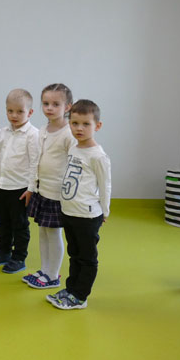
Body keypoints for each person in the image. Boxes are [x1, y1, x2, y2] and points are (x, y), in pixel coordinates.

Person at [48, 100, 111, 310]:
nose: (79, 128)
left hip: (87, 215)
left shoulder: (98, 156)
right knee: (74, 254)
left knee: (86, 258)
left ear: (97, 126)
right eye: (75, 123)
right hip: (69, 212)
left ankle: (80, 296)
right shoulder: (74, 148)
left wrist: (105, 210)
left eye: (86, 124)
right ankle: (70, 290)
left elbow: (105, 185)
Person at [22, 84, 75, 289]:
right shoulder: (43, 130)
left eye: (55, 104)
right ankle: (44, 270)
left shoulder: (69, 133)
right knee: (43, 232)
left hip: (57, 193)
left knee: (54, 234)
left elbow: (73, 164)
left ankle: (53, 275)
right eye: (45, 103)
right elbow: (36, 159)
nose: (49, 108)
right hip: (42, 190)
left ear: (67, 107)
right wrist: (32, 186)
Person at [0, 89, 40, 274]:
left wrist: (31, 188)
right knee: (3, 222)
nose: (14, 115)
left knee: (20, 225)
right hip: (1, 185)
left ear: (30, 112)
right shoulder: (3, 132)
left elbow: (35, 163)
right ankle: (4, 253)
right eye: (10, 111)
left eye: (19, 111)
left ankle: (19, 257)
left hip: (20, 188)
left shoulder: (33, 135)